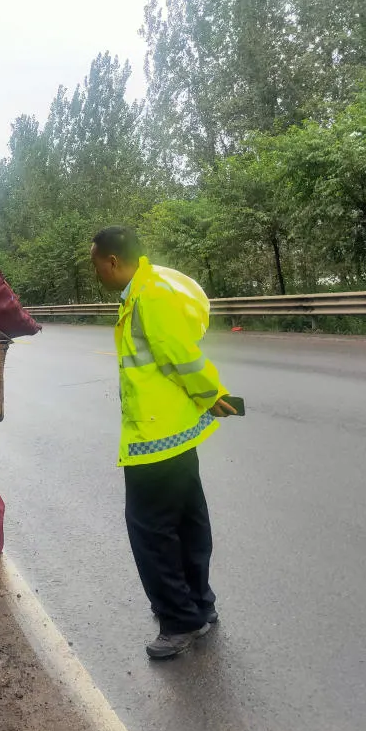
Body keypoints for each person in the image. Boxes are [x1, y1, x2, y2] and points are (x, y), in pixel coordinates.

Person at [90, 226, 238, 660]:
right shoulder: (146, 288)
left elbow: (182, 354)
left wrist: (212, 394)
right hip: (175, 432)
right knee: (189, 521)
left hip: (154, 438)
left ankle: (180, 620)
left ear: (113, 261)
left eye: (95, 262)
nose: (95, 270)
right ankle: (200, 606)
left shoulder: (150, 295)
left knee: (150, 532)